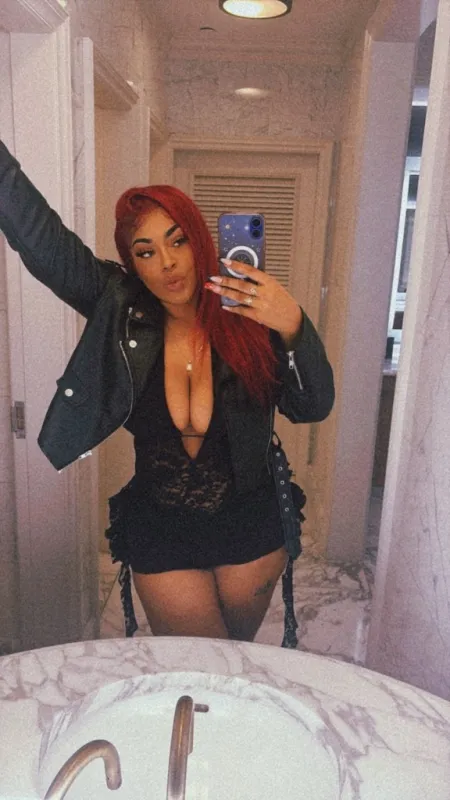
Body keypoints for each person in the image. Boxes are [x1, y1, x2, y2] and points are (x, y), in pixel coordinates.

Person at [0, 139, 334, 646]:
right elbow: (42, 241)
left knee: (231, 662)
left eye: (178, 242)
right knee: (196, 663)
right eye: (146, 251)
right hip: (162, 525)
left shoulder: (251, 314)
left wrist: (293, 325)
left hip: (250, 522)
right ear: (131, 263)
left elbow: (312, 406)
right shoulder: (117, 304)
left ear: (200, 241)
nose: (168, 263)